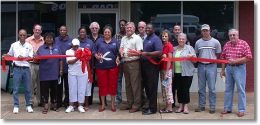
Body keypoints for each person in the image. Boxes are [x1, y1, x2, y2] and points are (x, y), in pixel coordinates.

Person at [220, 29, 252, 117]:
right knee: (228, 89)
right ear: (229, 36)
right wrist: (222, 70)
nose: (232, 37)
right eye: (230, 35)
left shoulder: (243, 44)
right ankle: (227, 108)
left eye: (234, 35)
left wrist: (235, 61)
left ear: (238, 35)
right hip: (229, 68)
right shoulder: (227, 44)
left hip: (239, 68)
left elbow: (249, 57)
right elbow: (223, 57)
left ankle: (241, 109)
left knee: (241, 89)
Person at [2, 29, 34, 113]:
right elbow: (9, 55)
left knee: (27, 89)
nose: (22, 36)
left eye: (24, 35)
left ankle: (28, 105)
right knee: (15, 89)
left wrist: (22, 57)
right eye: (21, 35)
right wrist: (5, 56)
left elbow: (31, 57)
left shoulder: (29, 46)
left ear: (26, 35)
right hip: (16, 69)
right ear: (18, 35)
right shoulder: (14, 45)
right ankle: (16, 105)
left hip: (26, 69)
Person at [194, 24, 221, 114]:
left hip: (212, 66)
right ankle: (201, 106)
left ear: (210, 31)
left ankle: (212, 107)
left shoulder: (216, 42)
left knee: (212, 88)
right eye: (203, 30)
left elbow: (218, 54)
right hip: (201, 66)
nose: (205, 32)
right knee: (201, 88)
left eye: (206, 30)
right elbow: (196, 54)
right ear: (201, 31)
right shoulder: (198, 42)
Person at [94, 26, 120, 112]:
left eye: (108, 32)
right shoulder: (99, 41)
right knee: (102, 86)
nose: (107, 33)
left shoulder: (115, 42)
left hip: (113, 68)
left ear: (111, 33)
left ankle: (112, 104)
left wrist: (118, 57)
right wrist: (96, 56)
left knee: (113, 86)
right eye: (105, 32)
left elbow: (118, 53)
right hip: (101, 68)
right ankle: (103, 105)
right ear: (103, 33)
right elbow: (94, 51)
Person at [119, 22, 143, 113]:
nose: (128, 29)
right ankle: (130, 103)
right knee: (128, 85)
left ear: (134, 29)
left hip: (134, 63)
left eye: (130, 28)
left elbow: (140, 52)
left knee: (135, 85)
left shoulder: (137, 38)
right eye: (127, 28)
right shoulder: (124, 38)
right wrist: (121, 52)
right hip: (125, 62)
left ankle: (136, 105)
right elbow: (121, 48)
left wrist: (131, 53)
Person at [140, 23, 163, 115]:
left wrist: (147, 54)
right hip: (145, 66)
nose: (147, 29)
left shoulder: (156, 39)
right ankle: (149, 106)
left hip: (152, 66)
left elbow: (159, 52)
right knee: (147, 88)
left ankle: (153, 109)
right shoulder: (146, 38)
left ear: (153, 29)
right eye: (146, 28)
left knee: (152, 88)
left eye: (149, 28)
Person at [37, 32, 63, 114]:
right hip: (44, 73)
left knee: (54, 90)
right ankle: (45, 105)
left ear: (53, 39)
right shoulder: (41, 48)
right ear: (44, 39)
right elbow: (36, 58)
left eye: (51, 38)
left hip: (54, 73)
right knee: (44, 91)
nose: (49, 39)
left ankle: (53, 105)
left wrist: (61, 70)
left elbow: (61, 60)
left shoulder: (57, 48)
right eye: (47, 38)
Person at [173, 33, 196, 114]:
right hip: (176, 72)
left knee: (185, 90)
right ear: (177, 39)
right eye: (180, 39)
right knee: (179, 90)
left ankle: (185, 106)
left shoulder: (190, 48)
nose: (181, 40)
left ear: (186, 40)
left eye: (183, 39)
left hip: (187, 72)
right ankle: (180, 106)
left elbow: (195, 60)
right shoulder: (174, 49)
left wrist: (192, 57)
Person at [65, 39, 88, 113]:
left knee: (82, 89)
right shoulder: (68, 51)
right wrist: (78, 57)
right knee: (72, 89)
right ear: (72, 45)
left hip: (82, 72)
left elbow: (89, 57)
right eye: (74, 46)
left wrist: (85, 54)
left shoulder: (83, 50)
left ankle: (80, 105)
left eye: (77, 46)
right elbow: (69, 62)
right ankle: (71, 105)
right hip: (72, 72)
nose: (76, 47)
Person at [88, 22, 107, 106]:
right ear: (90, 29)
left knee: (102, 83)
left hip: (101, 63)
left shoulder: (103, 37)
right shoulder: (87, 38)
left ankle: (103, 101)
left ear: (99, 29)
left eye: (96, 28)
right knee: (89, 83)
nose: (94, 29)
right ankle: (88, 101)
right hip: (89, 64)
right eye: (93, 28)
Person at [26, 24, 44, 107]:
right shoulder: (27, 40)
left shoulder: (44, 40)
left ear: (41, 31)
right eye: (36, 29)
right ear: (33, 30)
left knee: (40, 84)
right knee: (31, 84)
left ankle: (40, 101)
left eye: (39, 30)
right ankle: (30, 101)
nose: (37, 31)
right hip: (31, 64)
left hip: (41, 65)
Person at [54, 25, 73, 108]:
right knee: (58, 86)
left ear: (67, 31)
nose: (62, 31)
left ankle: (66, 102)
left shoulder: (71, 40)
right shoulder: (55, 40)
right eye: (61, 30)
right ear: (59, 31)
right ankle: (58, 102)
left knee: (68, 86)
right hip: (57, 67)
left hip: (68, 67)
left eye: (64, 30)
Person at [77, 26, 94, 111]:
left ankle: (86, 103)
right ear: (78, 33)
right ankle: (79, 103)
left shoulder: (90, 42)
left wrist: (92, 68)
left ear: (86, 33)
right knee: (79, 86)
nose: (82, 33)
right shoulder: (76, 42)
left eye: (84, 32)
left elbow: (93, 56)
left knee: (87, 86)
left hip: (88, 67)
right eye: (81, 32)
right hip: (77, 68)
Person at [159, 30, 174, 113]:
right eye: (163, 36)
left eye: (166, 36)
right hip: (162, 69)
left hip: (167, 71)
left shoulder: (169, 46)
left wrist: (167, 72)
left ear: (169, 37)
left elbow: (169, 60)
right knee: (164, 89)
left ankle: (170, 108)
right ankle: (166, 106)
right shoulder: (162, 45)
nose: (164, 37)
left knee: (168, 89)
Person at [114, 19, 127, 105]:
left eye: (123, 25)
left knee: (129, 80)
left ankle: (130, 98)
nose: (122, 26)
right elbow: (115, 48)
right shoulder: (116, 36)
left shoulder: (129, 35)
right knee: (118, 80)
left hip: (127, 61)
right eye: (121, 25)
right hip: (118, 60)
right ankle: (118, 99)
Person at [137, 21, 149, 110]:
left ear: (145, 28)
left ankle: (148, 102)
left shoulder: (149, 38)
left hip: (147, 63)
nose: (141, 29)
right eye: (139, 27)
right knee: (139, 84)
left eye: (142, 27)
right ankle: (142, 101)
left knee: (147, 83)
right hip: (137, 63)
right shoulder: (135, 37)